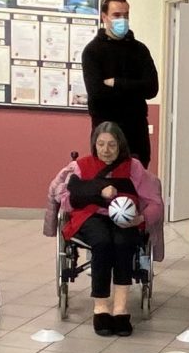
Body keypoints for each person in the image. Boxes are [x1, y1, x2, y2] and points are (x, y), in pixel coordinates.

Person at [60, 119, 158, 337]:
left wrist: (140, 217)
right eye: (101, 144)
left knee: (124, 243)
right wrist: (98, 192)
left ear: (120, 145)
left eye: (112, 145)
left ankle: (121, 309)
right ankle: (101, 308)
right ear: (94, 144)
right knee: (102, 242)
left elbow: (155, 203)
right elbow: (66, 199)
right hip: (90, 216)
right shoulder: (80, 166)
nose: (106, 150)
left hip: (125, 218)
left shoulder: (134, 168)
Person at [81, 0, 158, 169]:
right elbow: (97, 94)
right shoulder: (92, 52)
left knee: (136, 186)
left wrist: (117, 82)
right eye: (116, 15)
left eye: (126, 15)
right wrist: (135, 88)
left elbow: (152, 89)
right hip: (106, 131)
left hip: (136, 133)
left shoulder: (140, 50)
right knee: (105, 186)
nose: (122, 19)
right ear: (104, 17)